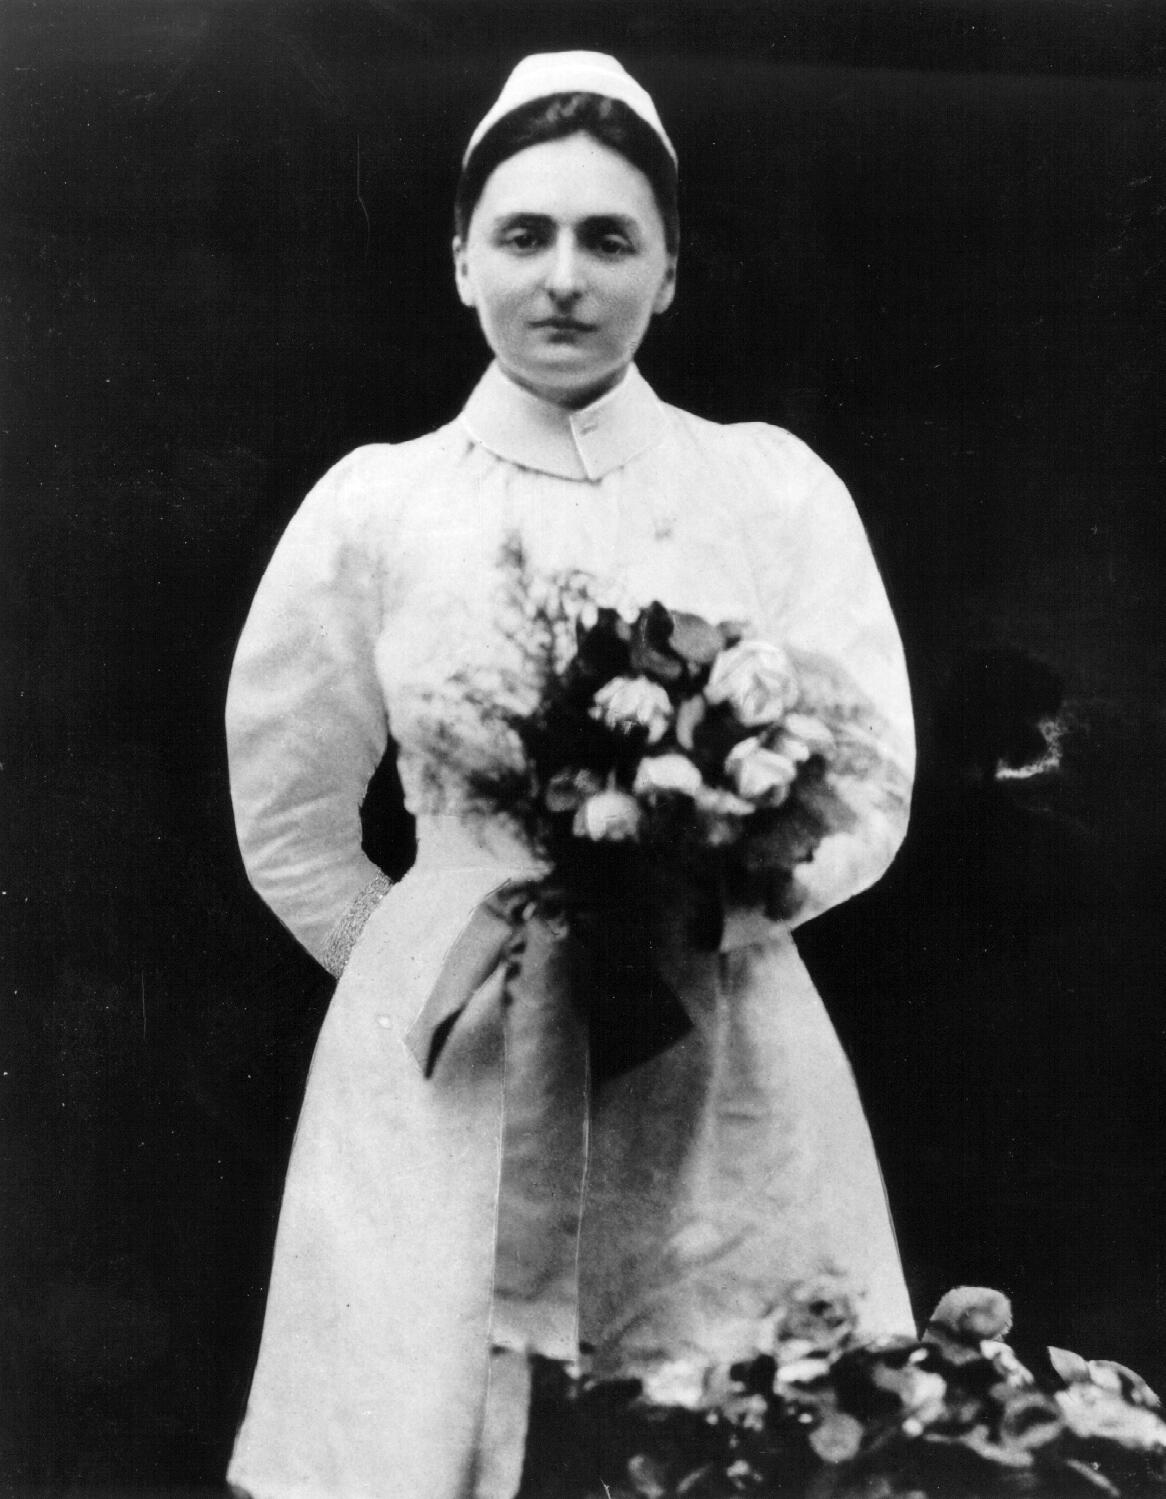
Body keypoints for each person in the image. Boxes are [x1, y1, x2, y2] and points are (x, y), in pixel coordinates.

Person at [225, 52, 916, 1499]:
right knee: (427, 1432)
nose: (562, 279)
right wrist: (426, 968)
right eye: (523, 235)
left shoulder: (767, 487)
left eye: (609, 239)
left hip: (716, 1038)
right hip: (450, 1070)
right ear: (460, 259)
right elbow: (289, 818)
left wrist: (686, 926)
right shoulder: (377, 507)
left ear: (667, 273)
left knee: (724, 1426)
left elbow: (867, 785)